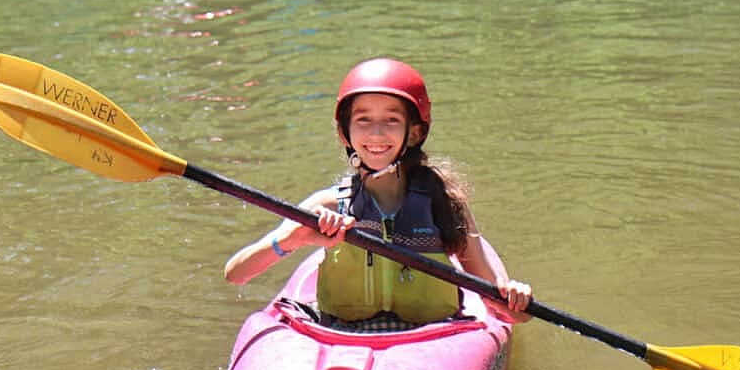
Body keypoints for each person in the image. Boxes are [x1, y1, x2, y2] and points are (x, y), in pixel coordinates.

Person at [224, 58, 532, 329]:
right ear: (345, 132)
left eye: (391, 120)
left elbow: (509, 313)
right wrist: (294, 239)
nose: (376, 133)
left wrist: (516, 298)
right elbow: (236, 275)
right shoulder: (327, 205)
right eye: (363, 120)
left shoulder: (445, 205)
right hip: (340, 338)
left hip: (432, 342)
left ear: (414, 132)